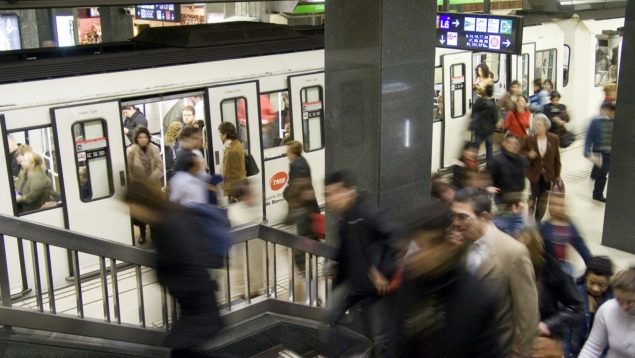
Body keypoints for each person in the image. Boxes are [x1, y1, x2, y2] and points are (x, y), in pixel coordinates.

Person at [123, 179, 223, 357]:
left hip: (198, 302)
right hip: (195, 301)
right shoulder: (168, 216)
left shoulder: (170, 224)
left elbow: (189, 262)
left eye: (132, 207)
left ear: (141, 202)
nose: (133, 213)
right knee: (182, 352)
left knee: (181, 353)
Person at [396, 200, 501, 358]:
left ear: (447, 245)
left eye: (423, 246)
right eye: (411, 247)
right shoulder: (408, 282)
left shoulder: (476, 299)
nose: (415, 256)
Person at [451, 188, 539, 357]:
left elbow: (527, 315)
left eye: (462, 217)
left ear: (484, 217)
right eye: (453, 216)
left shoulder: (513, 252)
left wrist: (520, 354)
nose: (456, 223)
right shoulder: (457, 247)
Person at [322, 170, 400, 358]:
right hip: (354, 285)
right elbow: (346, 249)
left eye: (333, 193)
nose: (330, 200)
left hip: (375, 291)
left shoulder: (369, 212)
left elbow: (396, 237)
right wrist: (336, 270)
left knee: (379, 336)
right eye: (327, 194)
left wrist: (379, 270)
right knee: (331, 320)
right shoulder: (344, 218)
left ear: (350, 191)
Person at [516, 228, 583, 358]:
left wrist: (548, 325)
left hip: (543, 340)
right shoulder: (511, 270)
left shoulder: (555, 274)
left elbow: (577, 308)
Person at [579, 267, 635, 358]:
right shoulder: (608, 309)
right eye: (619, 300)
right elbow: (592, 348)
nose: (624, 307)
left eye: (630, 302)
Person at [569, 256, 614, 357]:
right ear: (585, 278)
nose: (596, 288)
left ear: (609, 282)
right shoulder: (574, 292)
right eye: (591, 283)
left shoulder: (613, 301)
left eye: (601, 285)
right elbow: (566, 328)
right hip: (574, 350)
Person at [539, 192, 592, 276]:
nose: (557, 208)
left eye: (561, 205)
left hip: (564, 266)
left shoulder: (570, 227)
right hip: (548, 267)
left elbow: (582, 248)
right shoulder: (543, 227)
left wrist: (593, 267)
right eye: (553, 204)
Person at [127, 127, 163, 244]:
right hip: (140, 187)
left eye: (145, 137)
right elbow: (129, 169)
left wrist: (152, 178)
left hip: (153, 185)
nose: (143, 140)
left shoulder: (154, 149)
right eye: (140, 137)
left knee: (154, 211)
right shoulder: (131, 151)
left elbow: (159, 166)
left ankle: (154, 233)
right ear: (136, 138)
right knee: (141, 214)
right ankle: (142, 232)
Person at [522, 114, 561, 221]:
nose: (536, 127)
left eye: (539, 125)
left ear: (545, 126)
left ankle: (538, 220)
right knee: (533, 196)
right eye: (535, 125)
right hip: (534, 173)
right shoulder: (529, 139)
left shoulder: (554, 139)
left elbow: (557, 158)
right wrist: (528, 154)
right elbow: (521, 151)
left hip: (548, 174)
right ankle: (529, 217)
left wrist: (557, 175)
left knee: (543, 198)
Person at [284, 141, 320, 237]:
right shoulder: (302, 161)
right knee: (309, 233)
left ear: (293, 152)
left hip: (302, 206)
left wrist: (286, 193)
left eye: (288, 152)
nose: (286, 154)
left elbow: (296, 186)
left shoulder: (296, 165)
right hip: (306, 205)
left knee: (303, 235)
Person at [584, 102, 615, 203]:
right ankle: (597, 194)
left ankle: (594, 177)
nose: (609, 113)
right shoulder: (595, 122)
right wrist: (587, 150)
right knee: (602, 173)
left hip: (610, 152)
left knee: (600, 171)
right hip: (599, 151)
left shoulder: (614, 121)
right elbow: (589, 136)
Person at [487, 134, 526, 204]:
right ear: (504, 144)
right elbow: (489, 179)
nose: (513, 146)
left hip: (516, 198)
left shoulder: (521, 160)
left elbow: (522, 178)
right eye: (510, 142)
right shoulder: (496, 160)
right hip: (500, 199)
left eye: (516, 144)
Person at [218, 122, 246, 202]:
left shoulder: (233, 150)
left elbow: (235, 173)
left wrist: (233, 194)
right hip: (234, 188)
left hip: (235, 190)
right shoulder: (231, 146)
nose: (219, 136)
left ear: (225, 134)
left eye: (220, 133)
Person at [471, 84, 499, 160]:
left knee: (476, 147)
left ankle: (472, 161)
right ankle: (489, 164)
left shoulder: (478, 101)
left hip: (479, 128)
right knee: (489, 147)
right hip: (488, 130)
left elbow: (473, 113)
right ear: (491, 93)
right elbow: (495, 119)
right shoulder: (493, 105)